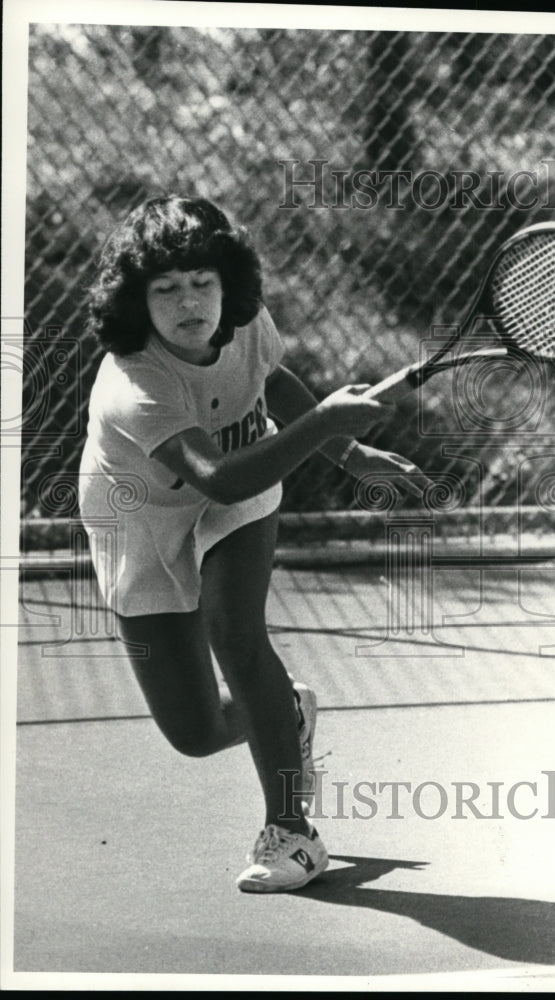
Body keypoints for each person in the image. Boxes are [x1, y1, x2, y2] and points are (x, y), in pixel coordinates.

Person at [79, 194, 426, 893]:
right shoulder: (135, 381)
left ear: (225, 284)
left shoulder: (244, 324)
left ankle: (291, 833)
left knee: (235, 632)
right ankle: (283, 708)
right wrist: (327, 423)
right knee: (196, 733)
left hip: (237, 492)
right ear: (137, 301)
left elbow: (270, 379)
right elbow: (217, 477)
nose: (189, 304)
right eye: (166, 289)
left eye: (203, 283)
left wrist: (348, 450)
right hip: (145, 521)